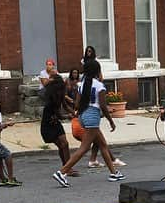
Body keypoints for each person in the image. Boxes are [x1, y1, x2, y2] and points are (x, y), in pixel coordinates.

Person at [52, 59, 124, 187]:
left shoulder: (83, 84)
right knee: (84, 148)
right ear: (97, 71)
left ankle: (114, 173)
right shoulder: (99, 86)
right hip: (93, 117)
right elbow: (102, 105)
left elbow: (77, 104)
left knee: (102, 144)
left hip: (83, 115)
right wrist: (110, 121)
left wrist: (78, 113)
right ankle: (62, 172)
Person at [41, 75, 78, 174]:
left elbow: (65, 106)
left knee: (64, 144)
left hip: (56, 123)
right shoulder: (51, 98)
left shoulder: (60, 94)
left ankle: (66, 167)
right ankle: (67, 168)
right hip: (49, 123)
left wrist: (74, 113)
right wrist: (67, 116)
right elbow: (59, 115)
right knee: (62, 144)